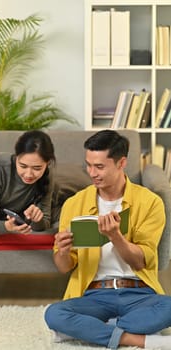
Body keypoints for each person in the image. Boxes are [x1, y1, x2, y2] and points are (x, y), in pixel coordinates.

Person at [44, 129, 171, 350]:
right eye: (88, 165)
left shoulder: (149, 202)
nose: (92, 173)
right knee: (54, 313)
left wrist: (115, 237)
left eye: (100, 166)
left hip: (139, 293)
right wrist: (62, 251)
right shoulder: (74, 204)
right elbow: (64, 267)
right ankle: (136, 339)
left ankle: (92, 330)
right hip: (94, 294)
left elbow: (141, 262)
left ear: (122, 163)